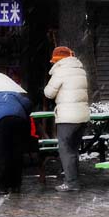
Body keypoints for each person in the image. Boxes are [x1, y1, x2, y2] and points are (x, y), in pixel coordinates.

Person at [43, 46, 90, 192]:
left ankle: (71, 183)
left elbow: (49, 93)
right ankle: (74, 180)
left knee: (65, 149)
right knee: (73, 150)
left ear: (58, 60)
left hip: (67, 117)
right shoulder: (80, 70)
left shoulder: (61, 71)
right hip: (82, 116)